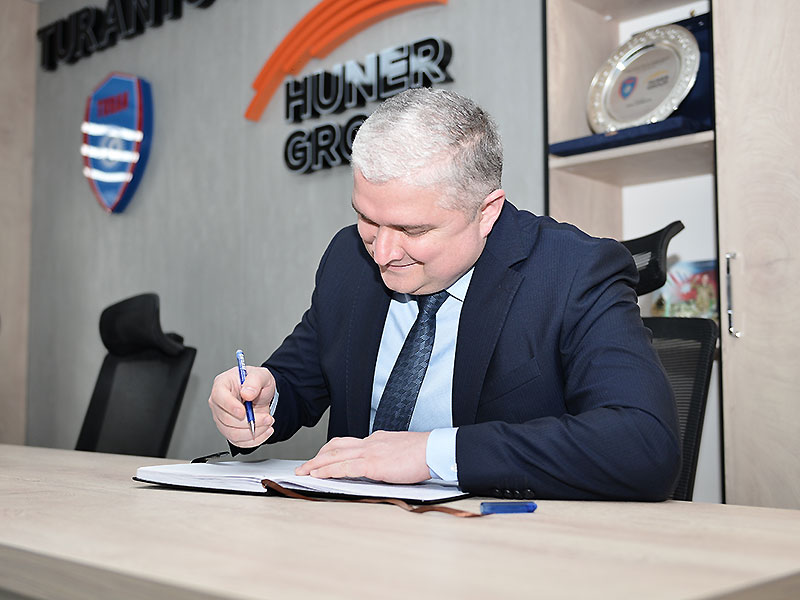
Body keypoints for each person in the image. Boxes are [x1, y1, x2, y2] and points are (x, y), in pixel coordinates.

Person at [208, 87, 680, 500]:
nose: (382, 253)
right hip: (353, 537)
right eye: (367, 219)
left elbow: (643, 445)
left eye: (412, 229)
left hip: (502, 545)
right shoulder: (348, 259)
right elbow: (296, 382)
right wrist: (259, 401)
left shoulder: (572, 273)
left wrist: (431, 453)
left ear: (486, 212)